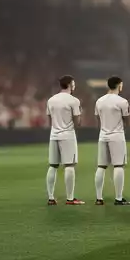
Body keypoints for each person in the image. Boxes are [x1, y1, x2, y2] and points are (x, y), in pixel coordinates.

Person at [93, 76, 130, 206]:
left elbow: (98, 119)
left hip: (103, 135)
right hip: (117, 135)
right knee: (118, 165)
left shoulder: (99, 101)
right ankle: (118, 198)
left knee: (101, 166)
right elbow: (127, 120)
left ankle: (99, 198)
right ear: (119, 85)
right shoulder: (122, 101)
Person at [46, 75, 82, 205]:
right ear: (70, 84)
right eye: (73, 83)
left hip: (54, 134)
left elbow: (49, 119)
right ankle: (70, 198)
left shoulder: (51, 100)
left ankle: (51, 197)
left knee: (53, 166)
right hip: (67, 135)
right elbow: (77, 121)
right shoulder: (74, 101)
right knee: (69, 165)